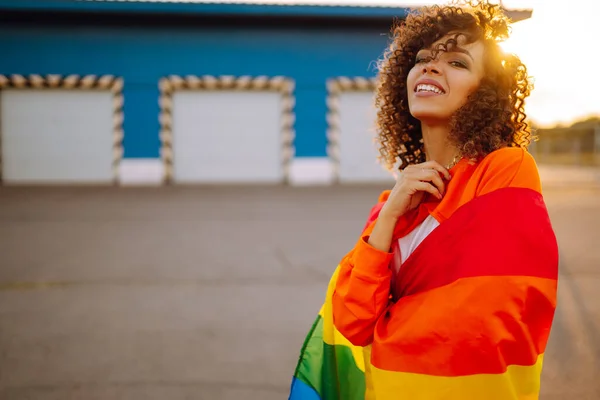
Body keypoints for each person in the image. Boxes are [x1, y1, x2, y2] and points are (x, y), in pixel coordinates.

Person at [288, 1, 559, 399]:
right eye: (422, 59)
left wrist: (388, 329)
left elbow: (482, 318)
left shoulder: (504, 170)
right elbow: (350, 322)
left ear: (485, 93)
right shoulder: (392, 204)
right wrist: (390, 216)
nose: (430, 67)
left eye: (458, 63)